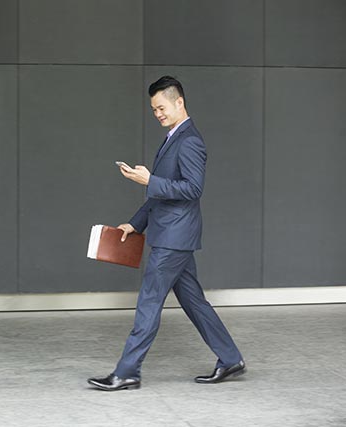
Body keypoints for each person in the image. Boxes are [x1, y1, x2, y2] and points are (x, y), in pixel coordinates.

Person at [87, 76, 245, 391]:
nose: (157, 113)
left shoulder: (190, 141)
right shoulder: (174, 137)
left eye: (161, 107)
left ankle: (128, 371)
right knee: (194, 302)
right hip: (174, 237)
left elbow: (193, 188)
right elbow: (161, 194)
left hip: (173, 239)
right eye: (154, 109)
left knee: (148, 301)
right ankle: (230, 358)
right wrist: (135, 223)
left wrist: (150, 181)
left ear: (178, 102)